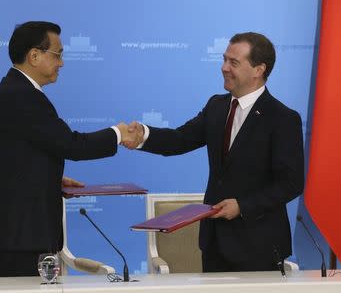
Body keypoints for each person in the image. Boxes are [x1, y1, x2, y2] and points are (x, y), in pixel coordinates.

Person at [127, 32, 304, 272]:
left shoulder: (282, 118)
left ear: (258, 69)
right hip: (214, 243)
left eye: (233, 62)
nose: (223, 68)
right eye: (224, 60)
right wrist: (143, 135)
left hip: (259, 245)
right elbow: (180, 139)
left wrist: (242, 206)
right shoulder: (217, 106)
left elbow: (291, 183)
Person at [0, 21, 141, 277]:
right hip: (23, 234)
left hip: (24, 234)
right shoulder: (21, 95)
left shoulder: (16, 91)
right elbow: (70, 145)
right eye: (57, 54)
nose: (62, 63)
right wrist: (118, 133)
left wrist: (48, 179)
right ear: (34, 56)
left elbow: (22, 157)